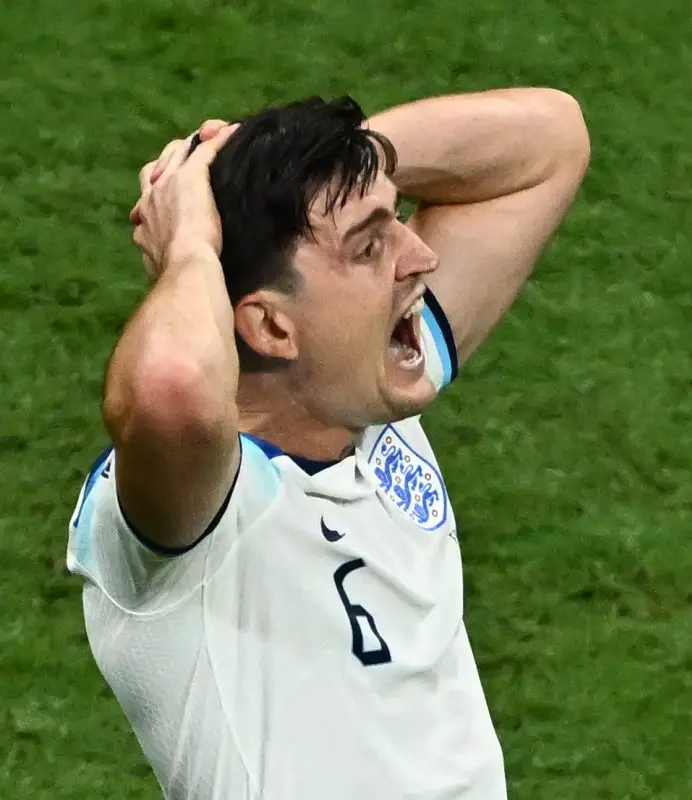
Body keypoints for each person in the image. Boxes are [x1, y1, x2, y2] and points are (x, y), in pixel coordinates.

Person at [64, 88, 590, 799]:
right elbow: (171, 386)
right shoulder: (199, 521)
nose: (421, 254)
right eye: (371, 244)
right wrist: (190, 241)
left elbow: (548, 144)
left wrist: (327, 163)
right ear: (273, 329)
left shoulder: (371, 398)